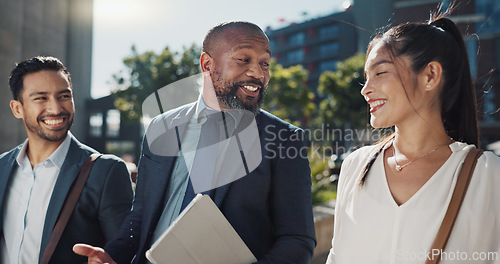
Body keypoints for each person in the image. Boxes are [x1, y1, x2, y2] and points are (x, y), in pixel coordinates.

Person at [74, 21, 316, 264]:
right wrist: (113, 254)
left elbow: (297, 241)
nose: (258, 72)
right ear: (207, 64)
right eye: (244, 59)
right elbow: (141, 217)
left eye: (265, 63)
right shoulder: (161, 128)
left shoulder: (284, 139)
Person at [326, 8, 500, 264]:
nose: (365, 90)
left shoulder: (488, 176)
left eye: (380, 73)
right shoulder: (356, 166)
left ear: (430, 75)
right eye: (366, 78)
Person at [0, 56, 134, 263]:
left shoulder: (106, 171)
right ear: (18, 109)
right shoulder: (2, 168)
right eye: (41, 98)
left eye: (63, 96)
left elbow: (127, 252)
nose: (56, 109)